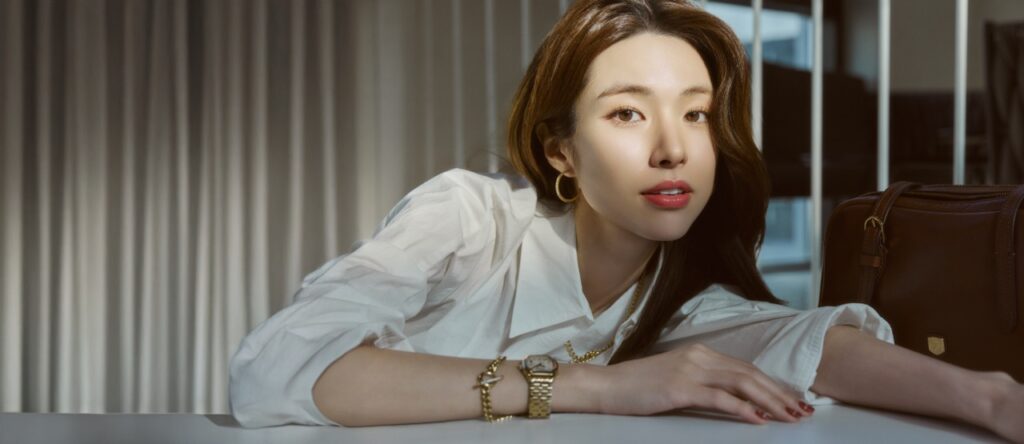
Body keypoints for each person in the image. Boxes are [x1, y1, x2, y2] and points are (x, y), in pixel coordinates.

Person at [228, 0, 1024, 440]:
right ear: (562, 151)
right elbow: (275, 371)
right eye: (627, 114)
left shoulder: (678, 302)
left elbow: (808, 346)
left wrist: (991, 401)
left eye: (697, 114)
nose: (674, 148)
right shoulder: (469, 218)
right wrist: (595, 387)